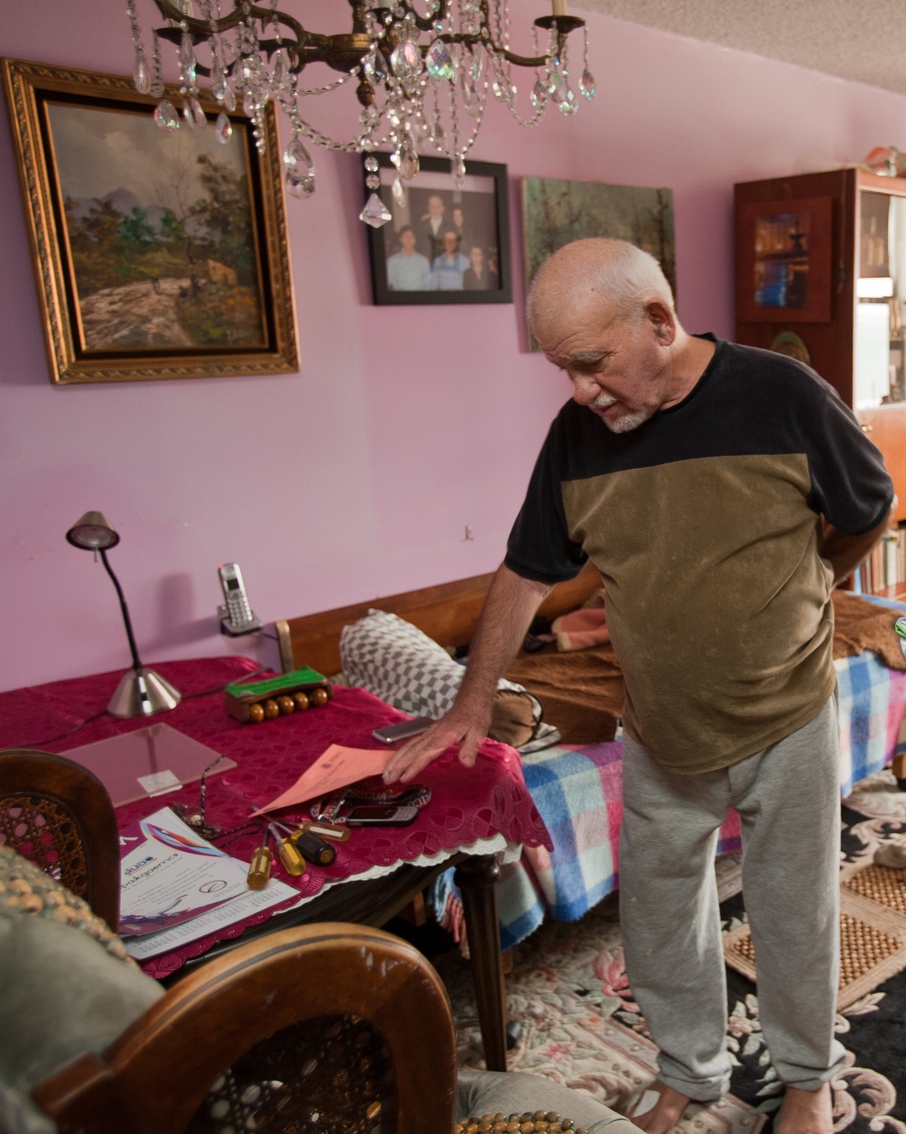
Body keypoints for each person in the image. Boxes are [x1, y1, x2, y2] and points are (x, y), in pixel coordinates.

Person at [383, 237, 895, 1134]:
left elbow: (864, 509)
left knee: (792, 917)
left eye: (592, 363)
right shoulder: (577, 439)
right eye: (564, 370)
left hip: (786, 715)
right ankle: (690, 1071)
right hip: (658, 730)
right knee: (660, 924)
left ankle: (808, 1080)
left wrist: (803, 580)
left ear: (658, 321)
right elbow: (526, 571)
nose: (581, 390)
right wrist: (470, 702)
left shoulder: (781, 396)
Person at [386, 226, 431, 291]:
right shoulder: (392, 261)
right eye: (406, 236)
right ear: (401, 239)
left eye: (411, 236)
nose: (409, 239)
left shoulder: (424, 261)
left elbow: (428, 284)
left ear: (415, 239)